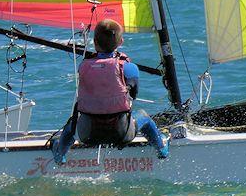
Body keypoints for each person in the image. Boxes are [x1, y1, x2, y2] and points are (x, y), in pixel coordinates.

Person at [51, 19, 169, 164]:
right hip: (121, 134)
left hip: (87, 134)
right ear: (121, 42)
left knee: (70, 126)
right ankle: (161, 149)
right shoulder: (129, 67)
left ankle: (60, 155)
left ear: (94, 42)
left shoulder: (83, 66)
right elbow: (134, 95)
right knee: (144, 116)